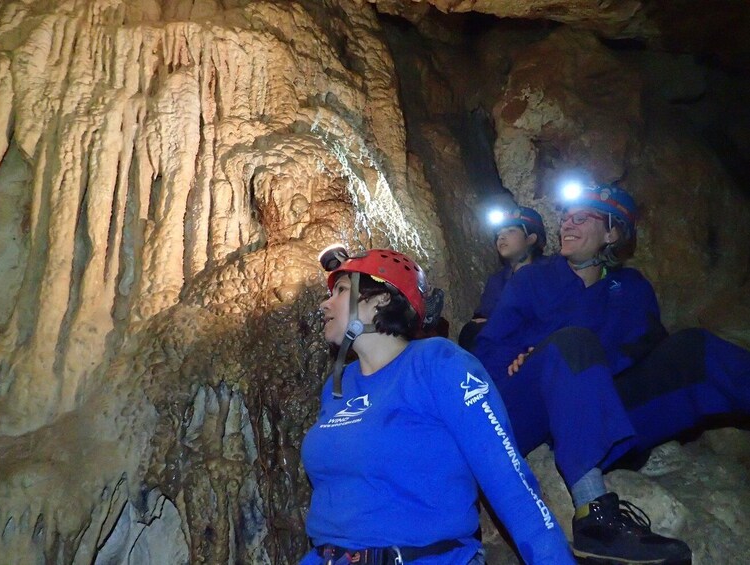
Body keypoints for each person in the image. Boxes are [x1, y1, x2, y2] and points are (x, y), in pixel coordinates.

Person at [474, 182, 750, 564]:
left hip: (597, 409)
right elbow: (488, 349)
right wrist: (523, 359)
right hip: (527, 404)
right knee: (571, 344)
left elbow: (645, 348)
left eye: (581, 218)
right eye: (566, 218)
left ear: (613, 232)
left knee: (694, 348)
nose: (567, 224)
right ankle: (595, 519)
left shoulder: (632, 288)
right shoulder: (533, 279)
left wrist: (596, 369)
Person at [300, 246, 576, 565]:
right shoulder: (338, 385)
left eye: (342, 290)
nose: (325, 303)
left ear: (381, 299)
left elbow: (509, 484)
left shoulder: (439, 364)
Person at [459, 206, 548, 352]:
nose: (501, 237)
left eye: (511, 231)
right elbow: (483, 317)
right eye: (498, 233)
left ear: (531, 238)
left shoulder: (551, 272)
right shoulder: (497, 281)